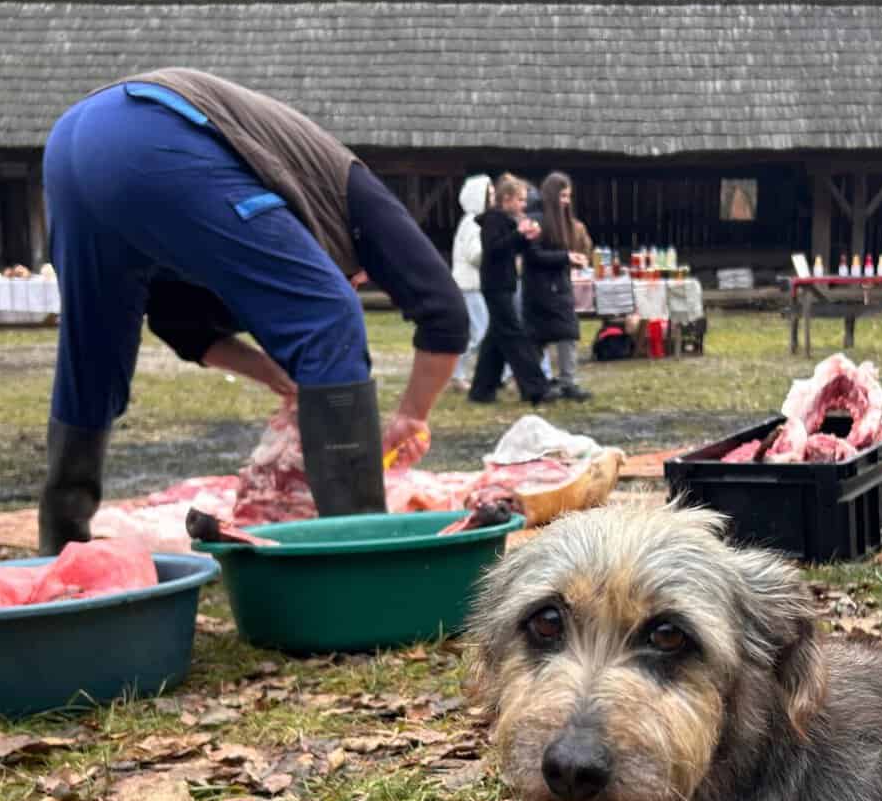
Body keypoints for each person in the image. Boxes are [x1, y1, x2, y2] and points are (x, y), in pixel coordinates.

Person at [36, 69, 468, 552]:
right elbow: (446, 313)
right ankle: (360, 549)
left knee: (92, 357)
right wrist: (411, 414)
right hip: (156, 131)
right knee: (330, 316)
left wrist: (275, 375)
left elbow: (181, 325)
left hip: (70, 146)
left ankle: (60, 549)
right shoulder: (355, 194)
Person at [469, 175, 556, 405]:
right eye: (520, 200)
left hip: (503, 283)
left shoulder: (503, 220)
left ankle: (482, 389)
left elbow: (510, 247)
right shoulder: (493, 221)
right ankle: (536, 388)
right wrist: (519, 234)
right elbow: (495, 249)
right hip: (495, 284)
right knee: (514, 334)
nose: (523, 205)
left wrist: (526, 238)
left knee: (496, 337)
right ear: (506, 199)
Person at [522, 172, 593, 402]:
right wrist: (565, 257)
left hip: (557, 286)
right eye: (563, 196)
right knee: (538, 338)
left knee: (567, 334)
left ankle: (567, 382)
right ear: (552, 195)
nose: (566, 201)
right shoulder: (536, 220)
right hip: (541, 288)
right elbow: (533, 255)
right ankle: (538, 384)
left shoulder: (560, 221)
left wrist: (570, 258)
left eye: (568, 196)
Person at [450, 173, 491, 388]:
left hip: (472, 285)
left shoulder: (473, 222)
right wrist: (493, 251)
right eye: (489, 194)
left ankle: (459, 373)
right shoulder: (472, 223)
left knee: (478, 330)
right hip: (469, 286)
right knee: (480, 330)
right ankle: (456, 374)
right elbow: (474, 255)